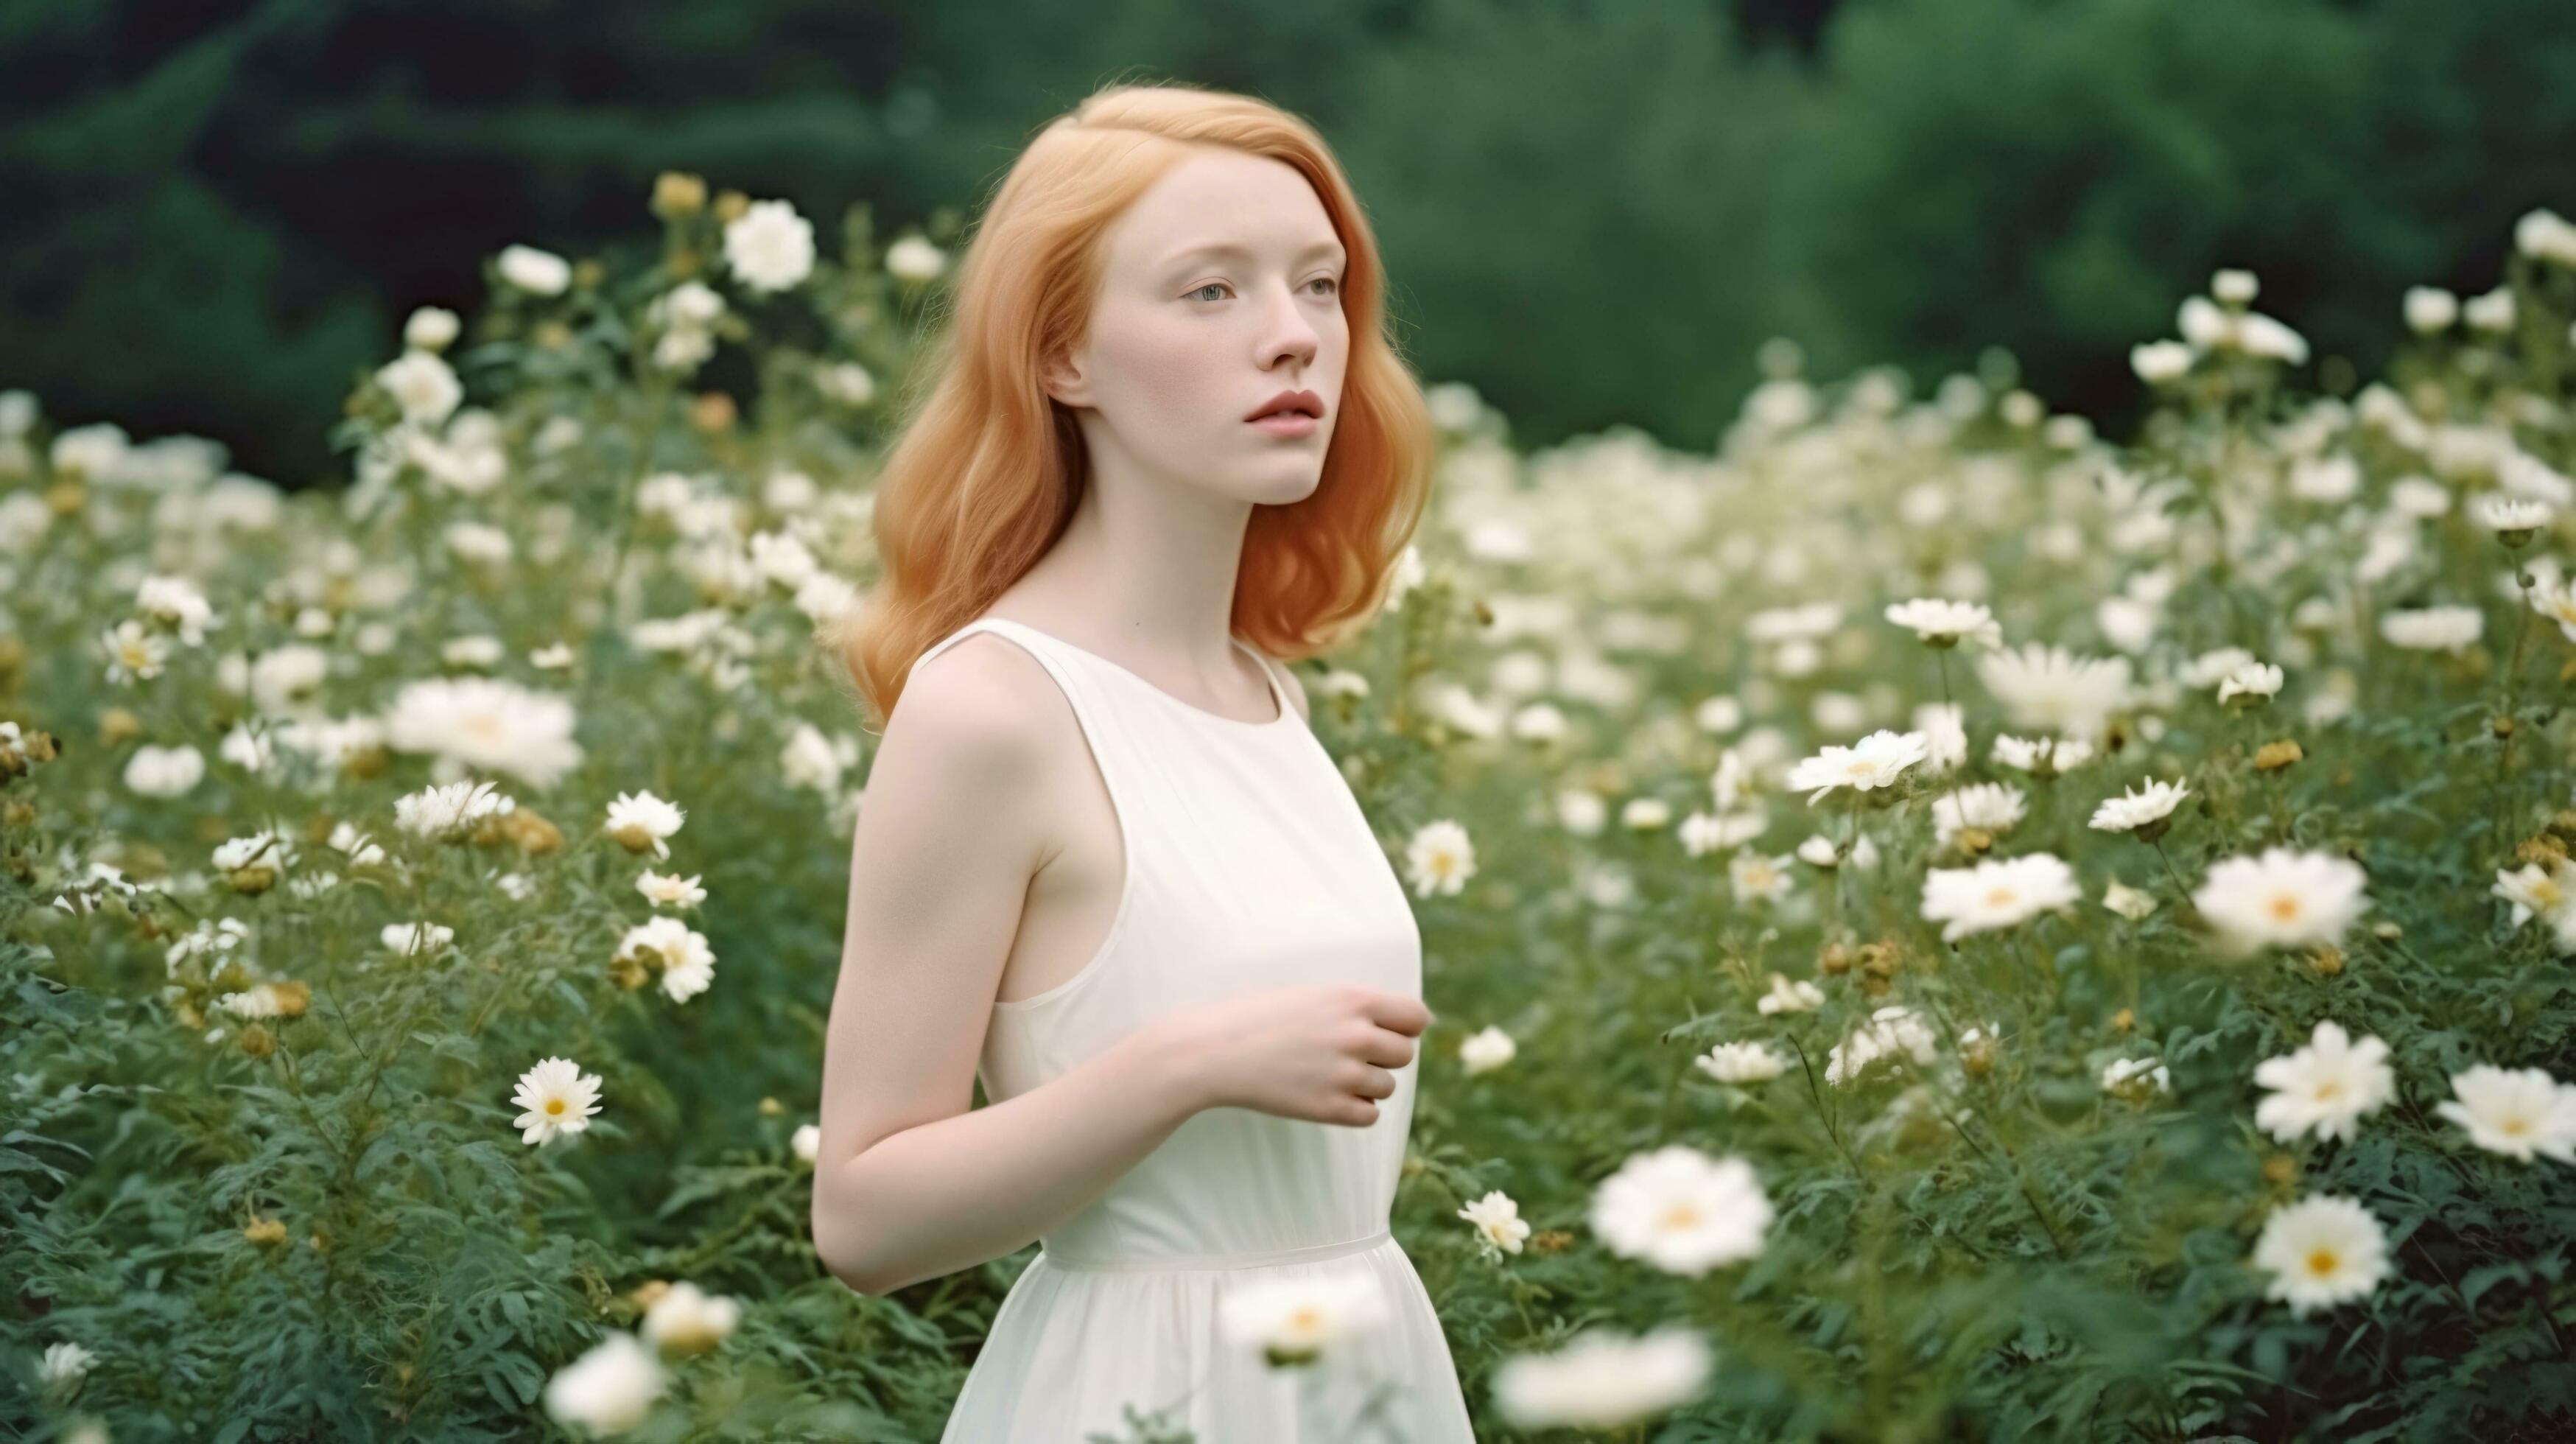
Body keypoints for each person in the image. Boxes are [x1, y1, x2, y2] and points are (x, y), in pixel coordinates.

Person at [808, 80, 1477, 1442]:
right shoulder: (992, 711)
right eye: (1210, 292)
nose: (1293, 337)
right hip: (1144, 1395)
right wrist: (1182, 1063)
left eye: (1319, 285)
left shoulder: (1260, 689)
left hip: (1363, 1368)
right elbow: (865, 1218)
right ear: (1062, 355)